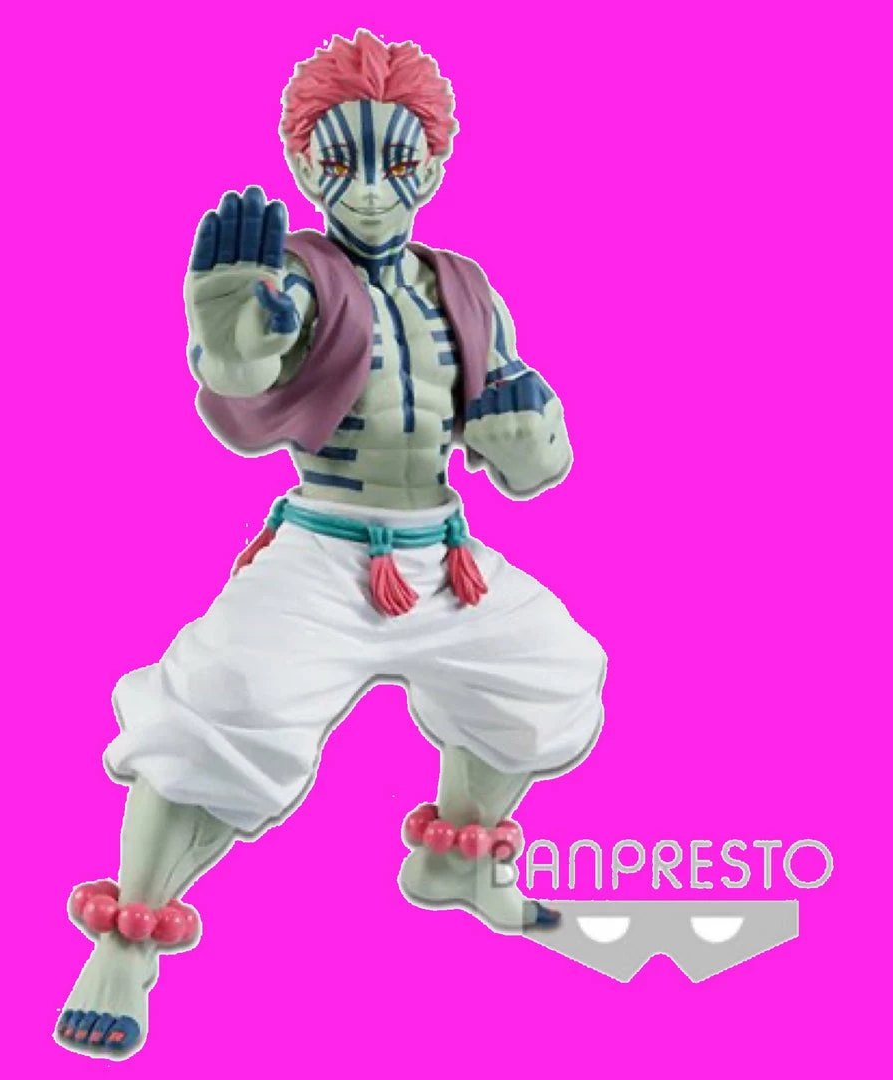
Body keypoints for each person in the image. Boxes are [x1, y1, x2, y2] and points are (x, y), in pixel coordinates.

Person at [56, 29, 606, 1058]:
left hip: (442, 555)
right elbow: (250, 364)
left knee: (549, 670)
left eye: (397, 161)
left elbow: (531, 459)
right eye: (340, 160)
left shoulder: (466, 290)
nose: (370, 189)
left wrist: (531, 436)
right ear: (302, 161)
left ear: (435, 160)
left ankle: (457, 859)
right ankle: (127, 941)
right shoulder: (300, 277)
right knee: (216, 708)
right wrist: (234, 344)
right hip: (321, 550)